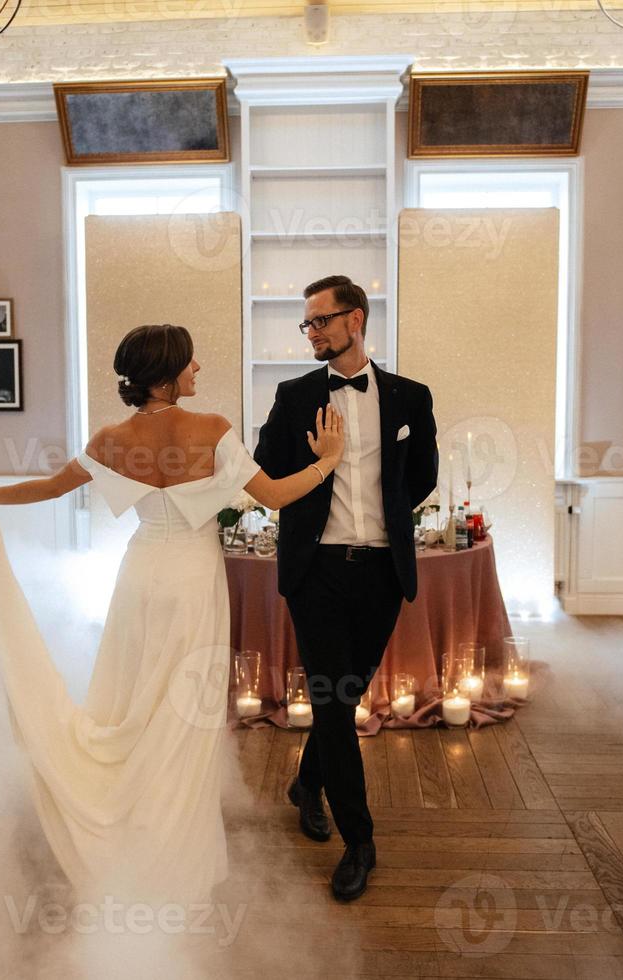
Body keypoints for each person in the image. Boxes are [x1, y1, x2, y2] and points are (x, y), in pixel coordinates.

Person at [0, 323, 346, 907]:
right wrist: (329, 459)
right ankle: (173, 847)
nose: (198, 369)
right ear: (167, 373)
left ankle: (125, 821)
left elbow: (53, 488)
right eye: (191, 362)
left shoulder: (111, 437)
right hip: (194, 582)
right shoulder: (211, 429)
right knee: (184, 713)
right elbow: (274, 496)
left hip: (139, 577)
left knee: (133, 705)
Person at [255, 274, 439, 903]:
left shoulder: (411, 397)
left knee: (346, 695)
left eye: (321, 321)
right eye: (306, 323)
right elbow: (267, 472)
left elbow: (422, 478)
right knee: (334, 705)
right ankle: (360, 842)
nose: (312, 331)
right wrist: (321, 463)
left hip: (383, 573)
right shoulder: (294, 394)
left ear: (355, 319)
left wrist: (382, 520)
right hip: (319, 572)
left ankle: (308, 785)